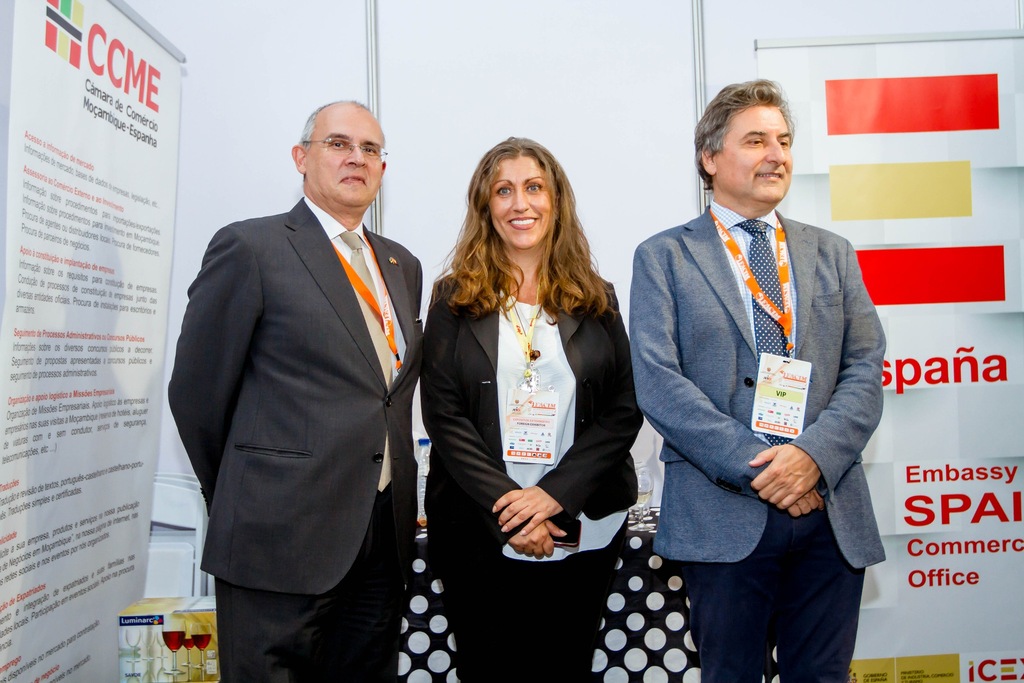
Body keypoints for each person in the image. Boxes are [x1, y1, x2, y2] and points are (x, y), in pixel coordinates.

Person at [629, 80, 886, 683]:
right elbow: (660, 383)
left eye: (784, 141)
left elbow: (865, 366)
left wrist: (811, 459)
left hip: (828, 510)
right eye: (756, 141)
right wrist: (768, 468)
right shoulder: (663, 257)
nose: (776, 155)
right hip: (723, 513)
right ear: (709, 158)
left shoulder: (833, 252)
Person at [167, 101, 422, 682]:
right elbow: (196, 394)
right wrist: (246, 488)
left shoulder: (400, 264)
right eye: (338, 143)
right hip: (276, 536)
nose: (356, 158)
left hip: (381, 537)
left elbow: (386, 393)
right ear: (301, 158)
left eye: (370, 149)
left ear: (383, 169)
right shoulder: (251, 247)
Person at [421, 137, 642, 682]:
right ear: (485, 206)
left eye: (534, 187)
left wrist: (553, 498)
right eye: (503, 191)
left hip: (582, 523)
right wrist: (514, 511)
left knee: (565, 669)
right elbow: (445, 417)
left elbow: (624, 409)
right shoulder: (452, 300)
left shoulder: (597, 297)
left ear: (556, 200)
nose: (520, 204)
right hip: (479, 528)